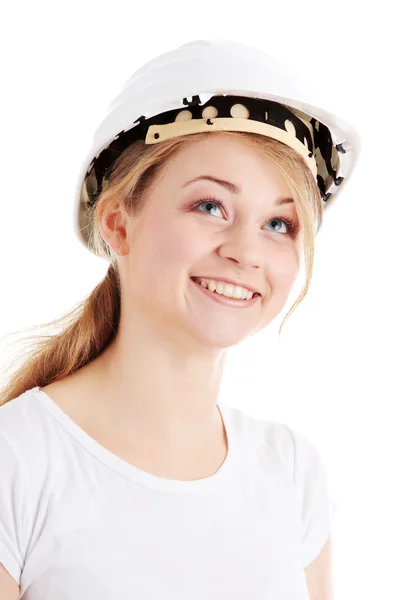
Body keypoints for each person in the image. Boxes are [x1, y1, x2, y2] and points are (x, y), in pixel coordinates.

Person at [0, 40, 360, 599]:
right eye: (210, 206)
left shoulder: (291, 472)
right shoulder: (19, 461)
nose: (247, 252)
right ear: (119, 224)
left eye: (279, 225)